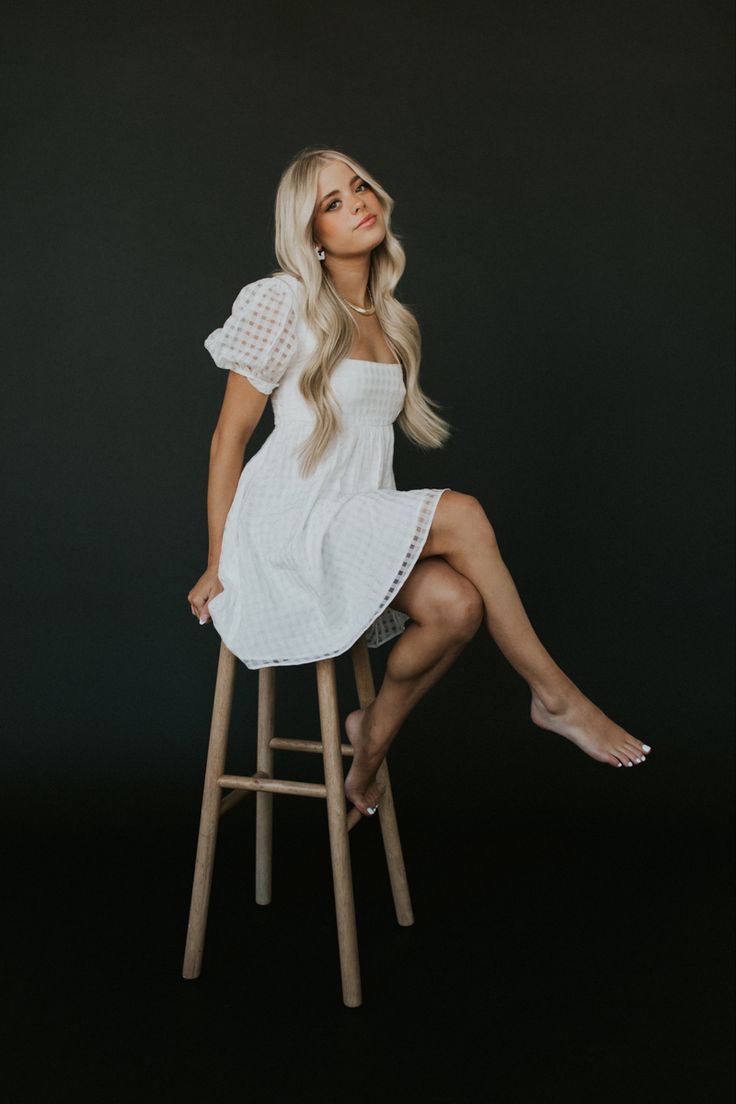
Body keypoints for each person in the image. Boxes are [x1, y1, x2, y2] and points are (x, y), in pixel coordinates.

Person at [188, 146, 652, 818]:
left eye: (359, 187)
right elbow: (228, 439)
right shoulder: (282, 300)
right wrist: (215, 559)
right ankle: (556, 697)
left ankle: (368, 737)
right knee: (463, 513)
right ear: (311, 233)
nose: (358, 204)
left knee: (458, 607)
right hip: (289, 525)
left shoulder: (392, 320)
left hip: (351, 515)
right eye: (334, 203)